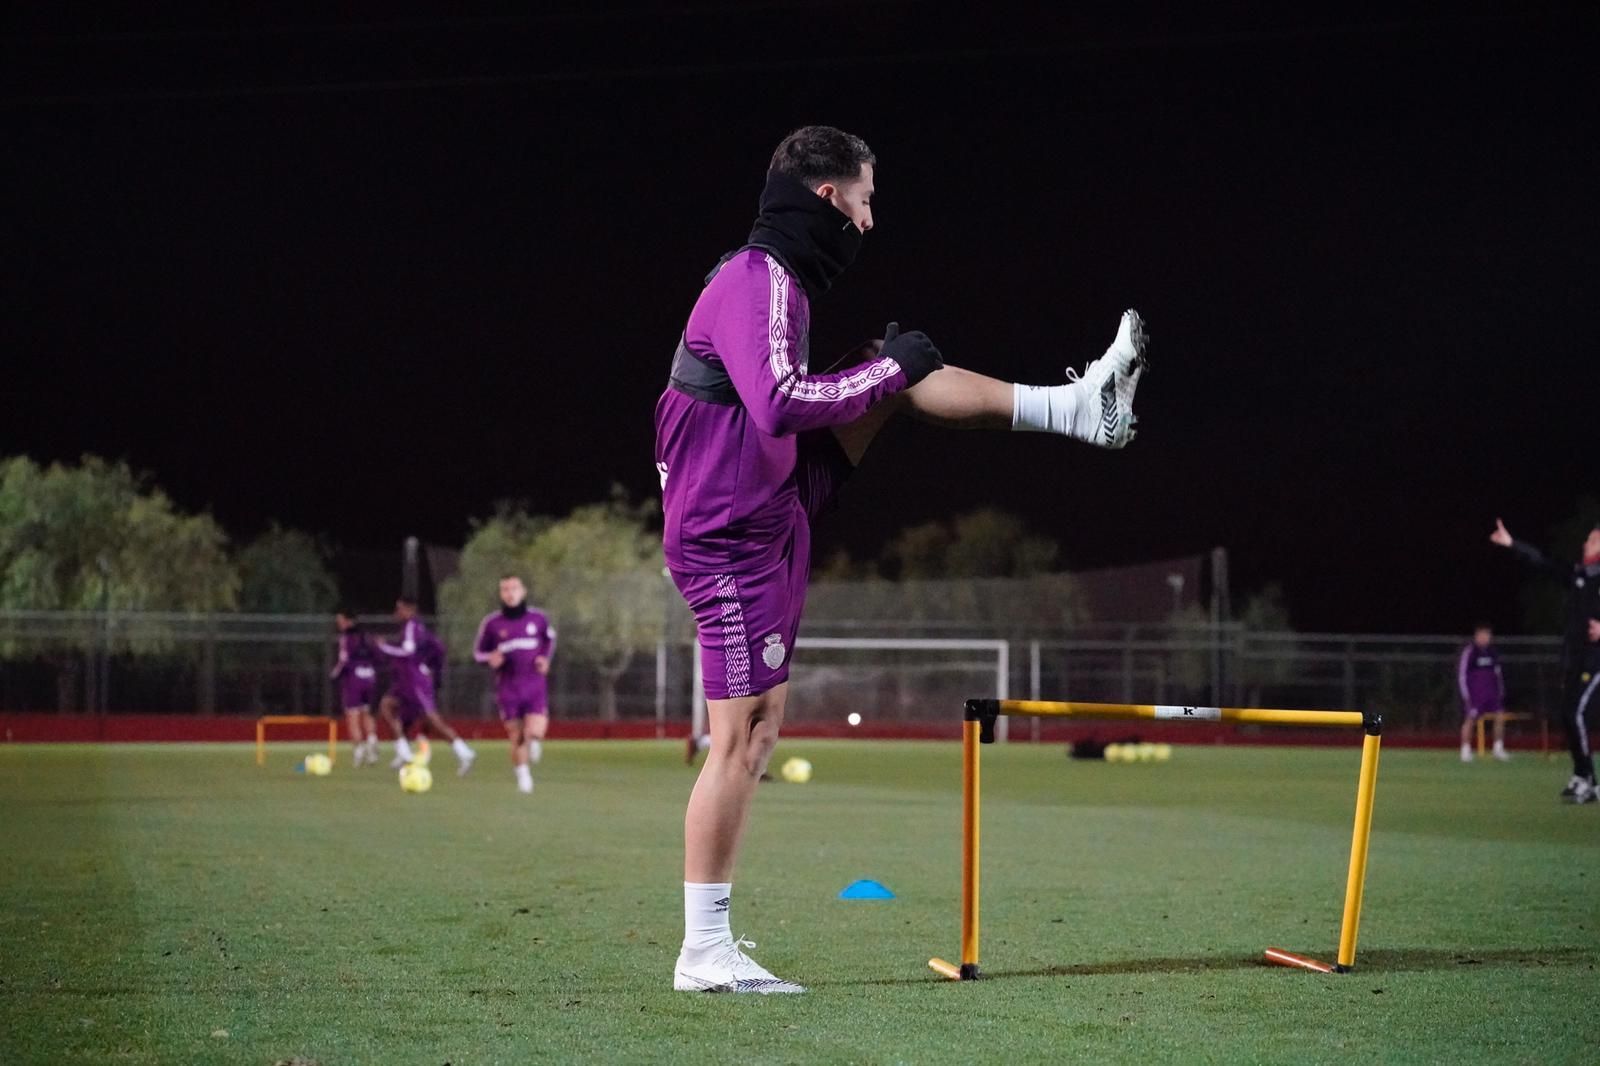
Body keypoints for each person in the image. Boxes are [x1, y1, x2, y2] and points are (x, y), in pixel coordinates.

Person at [655, 125, 1149, 993]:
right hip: (730, 533)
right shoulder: (756, 278)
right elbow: (776, 403)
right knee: (740, 739)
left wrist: (889, 373)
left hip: (761, 504)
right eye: (865, 199)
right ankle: (703, 952)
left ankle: (1079, 409)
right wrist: (884, 373)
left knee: (903, 374)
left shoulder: (781, 285)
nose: (871, 220)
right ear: (827, 200)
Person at [1490, 517, 1600, 802]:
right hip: (1577, 661)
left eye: (1591, 539)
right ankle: (1583, 777)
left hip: (1596, 662)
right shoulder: (1581, 575)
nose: (1585, 543)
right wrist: (1513, 543)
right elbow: (1544, 563)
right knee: (1568, 714)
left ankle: (1587, 778)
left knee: (1576, 714)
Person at [473, 575, 556, 795]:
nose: (510, 593)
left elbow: (549, 640)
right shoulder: (492, 624)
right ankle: (523, 774)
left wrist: (544, 658)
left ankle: (534, 741)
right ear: (501, 594)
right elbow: (478, 654)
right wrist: (490, 658)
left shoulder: (538, 619)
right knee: (516, 736)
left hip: (534, 685)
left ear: (523, 591)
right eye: (505, 589)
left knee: (535, 731)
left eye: (514, 588)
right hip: (508, 688)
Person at [377, 597, 477, 776]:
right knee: (387, 706)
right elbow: (436, 648)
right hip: (405, 680)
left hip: (415, 680)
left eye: (399, 609)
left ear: (410, 610)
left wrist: (384, 647)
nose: (396, 613)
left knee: (431, 720)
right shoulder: (414, 627)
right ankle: (404, 752)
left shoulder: (412, 627)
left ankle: (464, 752)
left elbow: (409, 652)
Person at [331, 609, 380, 766]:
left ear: (348, 621)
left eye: (340, 620)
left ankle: (359, 753)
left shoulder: (346, 638)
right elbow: (377, 655)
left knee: (353, 716)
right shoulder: (367, 636)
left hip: (354, 679)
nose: (338, 624)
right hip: (369, 676)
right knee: (367, 713)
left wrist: (334, 674)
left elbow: (343, 660)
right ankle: (372, 745)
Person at [1456, 623, 1507, 762]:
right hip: (1476, 695)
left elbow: (1498, 673)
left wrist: (1500, 690)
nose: (1485, 638)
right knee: (1470, 720)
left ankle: (1498, 749)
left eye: (1487, 635)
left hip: (1492, 694)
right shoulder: (1470, 652)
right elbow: (1462, 675)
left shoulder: (1492, 652)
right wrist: (1466, 694)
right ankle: (1465, 751)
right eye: (1482, 635)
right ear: (1476, 636)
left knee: (1500, 717)